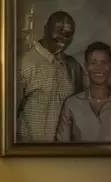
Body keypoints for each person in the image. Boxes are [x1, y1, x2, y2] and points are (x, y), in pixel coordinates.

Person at [17, 11, 84, 142]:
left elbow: (87, 100)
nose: (63, 37)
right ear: (46, 29)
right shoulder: (25, 62)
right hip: (30, 148)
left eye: (68, 33)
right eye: (59, 30)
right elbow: (9, 112)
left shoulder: (73, 66)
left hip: (63, 150)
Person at [56, 41, 111, 143]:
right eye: (93, 63)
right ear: (86, 67)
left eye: (104, 62)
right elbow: (61, 148)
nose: (99, 68)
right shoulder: (71, 104)